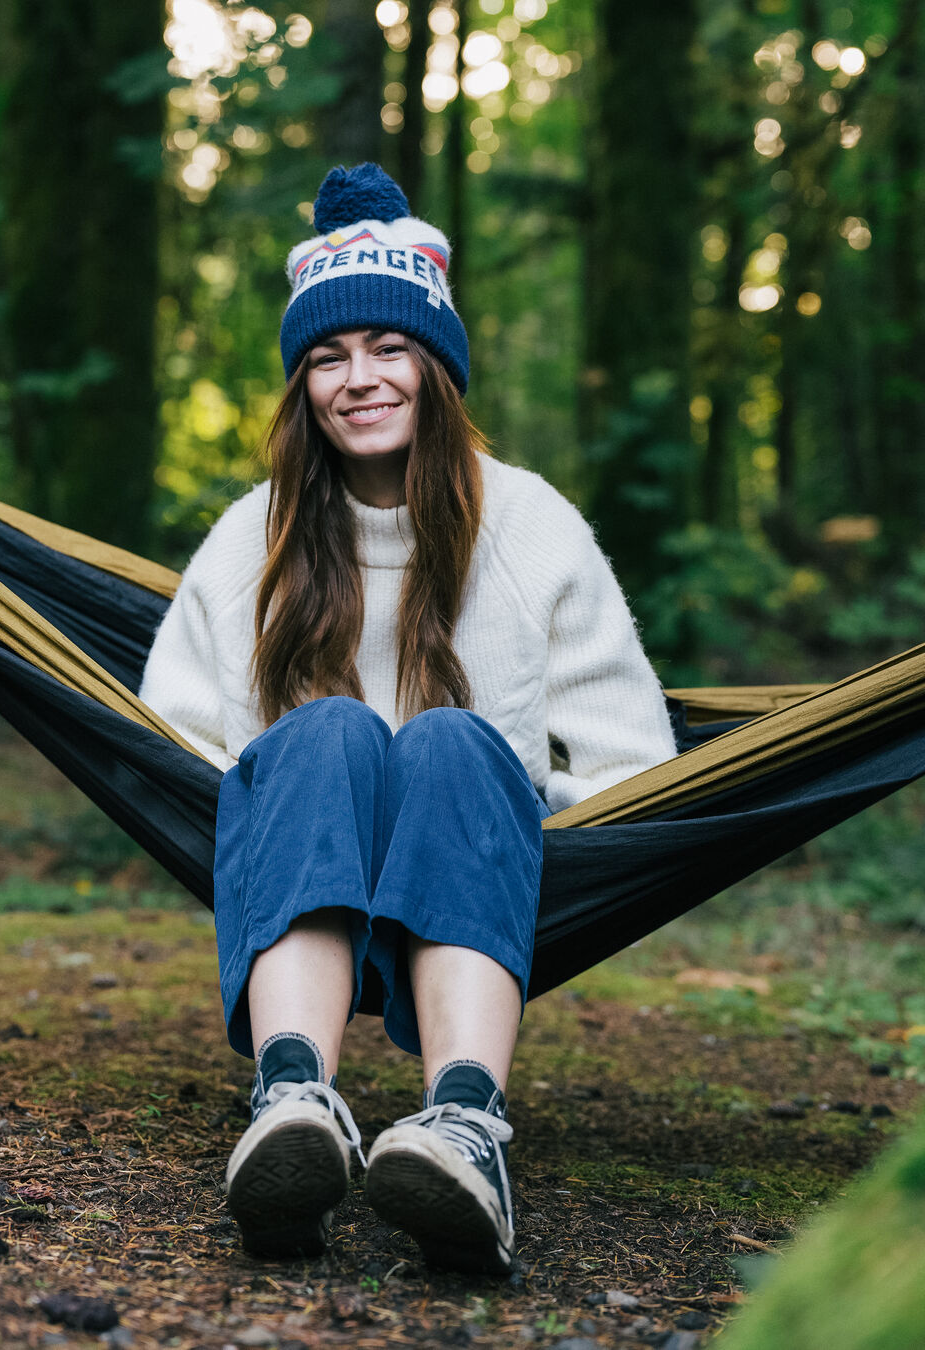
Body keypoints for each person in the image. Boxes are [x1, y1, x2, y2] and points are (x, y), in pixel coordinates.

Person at [139, 162, 678, 1275]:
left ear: (437, 368)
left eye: (389, 349)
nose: (360, 379)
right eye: (329, 358)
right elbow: (170, 747)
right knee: (328, 731)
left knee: (448, 739)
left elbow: (636, 763)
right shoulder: (257, 538)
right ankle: (294, 1101)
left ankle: (465, 1124)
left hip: (474, 851)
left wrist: (534, 821)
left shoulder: (530, 527)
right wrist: (274, 788)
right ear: (302, 390)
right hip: (300, 851)